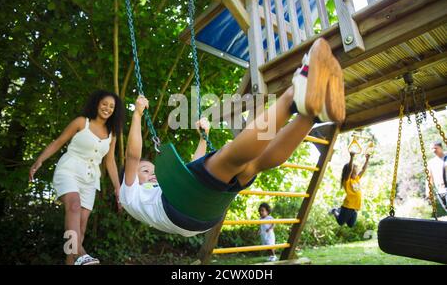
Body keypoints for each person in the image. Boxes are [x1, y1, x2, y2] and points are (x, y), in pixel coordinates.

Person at [120, 38, 345, 236]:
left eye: (151, 169)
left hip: (203, 211)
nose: (152, 174)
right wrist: (138, 115)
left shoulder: (166, 186)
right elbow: (132, 156)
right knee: (230, 155)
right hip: (178, 208)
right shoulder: (129, 193)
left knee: (253, 164)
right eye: (145, 171)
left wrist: (202, 138)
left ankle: (312, 116)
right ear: (128, 179)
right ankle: (294, 95)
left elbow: (191, 168)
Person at [29, 90, 125, 265]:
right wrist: (39, 160)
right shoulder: (82, 122)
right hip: (69, 170)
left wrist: (118, 188)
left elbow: (109, 161)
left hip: (90, 179)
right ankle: (80, 252)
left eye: (112, 106)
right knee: (73, 205)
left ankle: (73, 258)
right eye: (104, 104)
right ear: (97, 103)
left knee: (80, 227)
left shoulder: (113, 134)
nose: (107, 108)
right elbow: (59, 141)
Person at [329, 152, 371, 228]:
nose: (356, 174)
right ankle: (335, 210)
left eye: (356, 173)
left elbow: (363, 170)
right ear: (350, 173)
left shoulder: (356, 179)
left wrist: (367, 160)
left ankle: (339, 210)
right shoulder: (347, 181)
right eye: (354, 173)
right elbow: (349, 169)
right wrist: (351, 157)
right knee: (340, 222)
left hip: (354, 208)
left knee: (350, 225)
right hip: (347, 207)